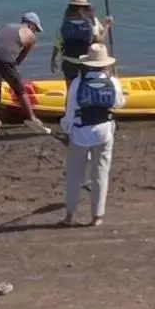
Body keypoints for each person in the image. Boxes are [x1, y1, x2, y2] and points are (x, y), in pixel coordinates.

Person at [60, 41, 125, 227]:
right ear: (105, 64)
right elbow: (119, 104)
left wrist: (66, 130)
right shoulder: (113, 82)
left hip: (80, 134)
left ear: (87, 63)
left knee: (74, 175)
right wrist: (114, 82)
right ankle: (97, 216)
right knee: (100, 174)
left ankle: (70, 215)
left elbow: (70, 113)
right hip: (105, 132)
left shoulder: (77, 84)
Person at [0, 13, 49, 134]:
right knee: (20, 89)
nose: (35, 32)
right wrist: (14, 73)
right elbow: (20, 58)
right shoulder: (31, 36)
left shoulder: (7, 25)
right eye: (36, 29)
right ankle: (31, 118)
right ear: (31, 25)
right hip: (3, 56)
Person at [50, 0, 112, 87]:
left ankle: (70, 101)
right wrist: (107, 25)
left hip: (68, 60)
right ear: (86, 7)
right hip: (87, 61)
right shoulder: (92, 22)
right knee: (86, 86)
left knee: (70, 89)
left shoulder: (63, 23)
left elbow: (58, 43)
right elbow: (98, 41)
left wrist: (53, 60)